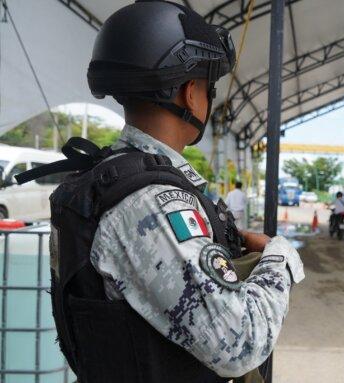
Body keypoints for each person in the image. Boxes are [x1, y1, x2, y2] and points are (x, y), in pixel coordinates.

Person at [27, 2, 305, 382]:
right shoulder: (150, 203)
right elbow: (241, 343)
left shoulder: (112, 178)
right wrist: (280, 257)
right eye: (209, 89)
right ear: (191, 93)